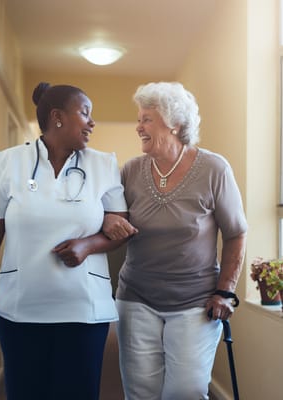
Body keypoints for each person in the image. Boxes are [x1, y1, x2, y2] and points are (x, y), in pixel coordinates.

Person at [0, 82, 128, 400]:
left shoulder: (103, 164)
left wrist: (88, 245)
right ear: (57, 117)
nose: (92, 123)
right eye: (85, 113)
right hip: (21, 309)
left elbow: (120, 229)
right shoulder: (7, 162)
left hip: (83, 310)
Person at [102, 81, 247, 400]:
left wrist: (226, 291)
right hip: (136, 297)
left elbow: (236, 232)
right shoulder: (131, 170)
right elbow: (111, 216)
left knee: (187, 391)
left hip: (195, 301)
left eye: (146, 119)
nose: (138, 127)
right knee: (141, 392)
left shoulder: (213, 168)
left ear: (175, 123)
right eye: (139, 119)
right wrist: (110, 218)